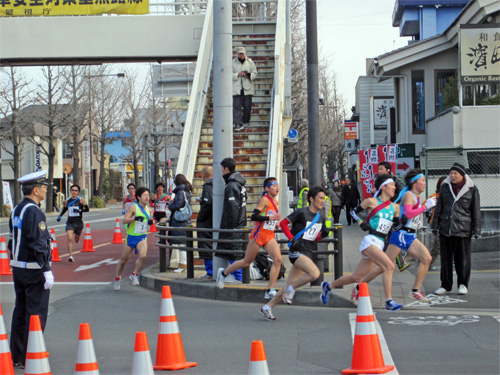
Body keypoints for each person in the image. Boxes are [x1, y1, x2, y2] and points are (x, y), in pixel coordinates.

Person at [351, 169, 437, 309]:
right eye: (422, 181)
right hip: (402, 235)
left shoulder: (414, 196)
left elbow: (408, 215)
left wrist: (419, 217)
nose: (424, 184)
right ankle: (405, 294)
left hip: (408, 234)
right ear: (414, 183)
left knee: (383, 267)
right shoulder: (409, 195)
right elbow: (408, 213)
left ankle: (360, 288)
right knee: (389, 266)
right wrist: (425, 207)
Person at [320, 174, 402, 311]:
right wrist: (361, 223)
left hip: (381, 243)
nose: (394, 187)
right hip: (370, 241)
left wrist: (404, 224)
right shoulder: (371, 202)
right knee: (389, 266)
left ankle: (328, 286)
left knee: (356, 277)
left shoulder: (395, 208)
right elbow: (353, 212)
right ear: (383, 187)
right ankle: (389, 300)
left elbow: (397, 227)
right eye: (391, 185)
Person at [260, 186, 330, 320]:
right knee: (314, 273)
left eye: (324, 198)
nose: (323, 201)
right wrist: (291, 238)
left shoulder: (320, 216)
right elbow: (284, 223)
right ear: (311, 199)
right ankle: (291, 289)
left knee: (286, 286)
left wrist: (322, 236)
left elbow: (314, 238)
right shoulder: (301, 212)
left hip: (308, 251)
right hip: (297, 251)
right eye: (320, 198)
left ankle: (267, 307)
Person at [8, 170, 54, 368]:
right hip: (34, 268)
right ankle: (31, 353)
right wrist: (46, 268)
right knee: (36, 313)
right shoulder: (34, 211)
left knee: (21, 311)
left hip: (18, 267)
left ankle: (17, 355)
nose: (45, 191)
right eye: (43, 188)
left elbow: (13, 239)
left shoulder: (17, 209)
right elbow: (38, 241)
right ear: (35, 190)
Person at [216, 177, 282, 299]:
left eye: (277, 185)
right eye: (274, 186)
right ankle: (224, 273)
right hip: (258, 235)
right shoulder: (264, 200)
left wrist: (275, 223)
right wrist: (270, 219)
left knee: (277, 259)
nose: (277, 188)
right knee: (246, 261)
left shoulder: (275, 202)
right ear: (267, 189)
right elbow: (254, 216)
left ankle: (270, 289)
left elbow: (267, 216)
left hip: (269, 235)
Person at [432, 163, 481, 296]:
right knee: (445, 259)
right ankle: (445, 285)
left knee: (463, 259)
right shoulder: (445, 188)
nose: (452, 176)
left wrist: (477, 230)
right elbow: (439, 208)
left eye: (455, 173)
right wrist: (435, 225)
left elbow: (476, 210)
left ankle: (463, 284)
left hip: (464, 229)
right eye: (451, 173)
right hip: (446, 228)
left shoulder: (471, 188)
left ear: (462, 175)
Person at [114, 187, 153, 290]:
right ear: (139, 197)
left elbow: (149, 221)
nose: (147, 197)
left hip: (142, 237)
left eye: (148, 195)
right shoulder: (133, 208)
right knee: (123, 260)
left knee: (143, 255)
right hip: (131, 237)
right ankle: (117, 278)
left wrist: (150, 222)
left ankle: (134, 274)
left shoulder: (149, 209)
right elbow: (124, 221)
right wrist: (134, 218)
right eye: (144, 195)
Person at [217, 157, 247, 282]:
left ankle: (237, 276)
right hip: (241, 223)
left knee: (234, 252)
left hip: (234, 226)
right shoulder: (239, 184)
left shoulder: (231, 185)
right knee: (236, 252)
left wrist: (229, 226)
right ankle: (235, 275)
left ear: (226, 168)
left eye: (222, 168)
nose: (221, 171)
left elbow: (233, 208)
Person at [375, 161, 409, 272]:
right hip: (381, 213)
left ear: (388, 170)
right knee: (387, 236)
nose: (379, 171)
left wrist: (396, 205)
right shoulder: (378, 182)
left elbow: (402, 194)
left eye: (381, 169)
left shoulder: (395, 181)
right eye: (379, 169)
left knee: (392, 236)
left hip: (393, 212)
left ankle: (391, 261)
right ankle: (391, 261)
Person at [57, 184, 89, 262]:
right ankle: (70, 256)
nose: (74, 192)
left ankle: (77, 238)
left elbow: (87, 209)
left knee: (76, 239)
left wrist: (80, 210)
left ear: (78, 192)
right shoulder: (68, 200)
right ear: (70, 191)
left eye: (76, 190)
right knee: (70, 238)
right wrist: (60, 216)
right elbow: (65, 209)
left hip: (78, 223)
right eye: (72, 190)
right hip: (70, 223)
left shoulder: (81, 200)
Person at [168, 174, 193, 273]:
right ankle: (183, 264)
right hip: (185, 219)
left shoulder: (180, 191)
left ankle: (182, 265)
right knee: (183, 243)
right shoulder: (187, 190)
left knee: (181, 244)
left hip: (179, 220)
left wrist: (171, 205)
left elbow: (178, 205)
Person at [232, 46, 257, 131]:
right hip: (236, 88)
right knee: (236, 106)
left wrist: (248, 75)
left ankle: (245, 121)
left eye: (242, 54)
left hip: (247, 88)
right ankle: (238, 123)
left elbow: (255, 73)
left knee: (247, 106)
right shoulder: (233, 63)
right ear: (237, 54)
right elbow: (228, 74)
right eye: (240, 54)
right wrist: (238, 75)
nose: (241, 55)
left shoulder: (250, 62)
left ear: (245, 53)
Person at [424, 176, 446, 270]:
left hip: (447, 223)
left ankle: (450, 262)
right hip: (436, 224)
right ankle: (428, 263)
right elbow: (424, 205)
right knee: (437, 245)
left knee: (448, 244)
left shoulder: (452, 195)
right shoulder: (435, 196)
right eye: (443, 184)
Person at [196, 166, 214, 279]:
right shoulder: (218, 184)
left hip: (207, 221)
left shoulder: (207, 187)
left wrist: (200, 217)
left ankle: (210, 272)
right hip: (215, 219)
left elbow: (208, 204)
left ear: (203, 175)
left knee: (206, 245)